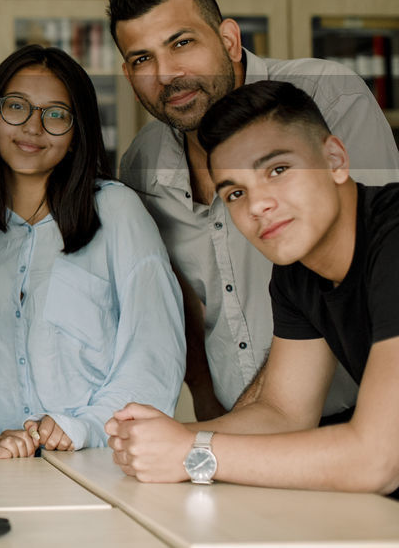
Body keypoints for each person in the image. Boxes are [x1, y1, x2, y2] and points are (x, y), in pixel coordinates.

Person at [109, 0, 399, 421]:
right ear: (128, 75)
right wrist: (210, 412)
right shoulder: (142, 163)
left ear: (228, 39)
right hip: (251, 421)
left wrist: (222, 435)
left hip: (363, 410)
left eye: (182, 43)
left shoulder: (327, 101)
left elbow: (355, 261)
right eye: (143, 59)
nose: (168, 74)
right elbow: (178, 296)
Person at [107, 80, 399, 497]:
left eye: (277, 171)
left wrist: (192, 452)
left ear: (334, 159)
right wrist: (164, 438)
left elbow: (379, 459)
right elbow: (283, 412)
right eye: (236, 192)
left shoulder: (392, 238)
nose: (257, 205)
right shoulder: (298, 270)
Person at [0, 46, 184, 459]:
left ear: (78, 131)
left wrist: (84, 428)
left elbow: (153, 353)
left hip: (101, 460)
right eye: (16, 107)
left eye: (55, 114)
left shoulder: (117, 212)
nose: (33, 127)